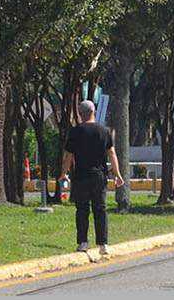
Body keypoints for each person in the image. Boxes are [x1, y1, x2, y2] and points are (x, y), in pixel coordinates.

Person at [61, 98, 125, 256]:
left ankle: (82, 242)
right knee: (100, 209)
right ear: (94, 113)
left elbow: (69, 156)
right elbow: (112, 153)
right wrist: (117, 174)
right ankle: (103, 244)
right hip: (99, 176)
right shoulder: (105, 131)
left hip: (81, 176)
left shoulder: (76, 132)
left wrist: (64, 174)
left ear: (80, 114)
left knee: (82, 209)